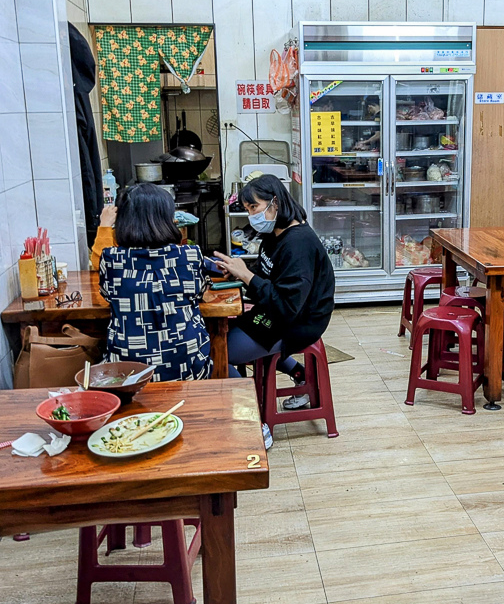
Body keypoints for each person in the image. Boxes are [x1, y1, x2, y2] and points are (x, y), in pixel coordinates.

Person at [214, 175, 335, 446]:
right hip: (278, 312)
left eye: (254, 207)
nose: (251, 215)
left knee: (217, 353)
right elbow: (265, 271)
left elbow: (286, 306)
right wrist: (235, 272)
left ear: (274, 204)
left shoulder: (298, 243)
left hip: (297, 321)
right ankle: (299, 373)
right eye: (247, 209)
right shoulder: (275, 233)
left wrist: (247, 278)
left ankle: (254, 425)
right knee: (224, 331)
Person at [98, 183, 212, 382]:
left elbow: (107, 294)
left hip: (129, 373)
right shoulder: (190, 255)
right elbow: (201, 291)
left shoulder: (111, 259)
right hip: (187, 368)